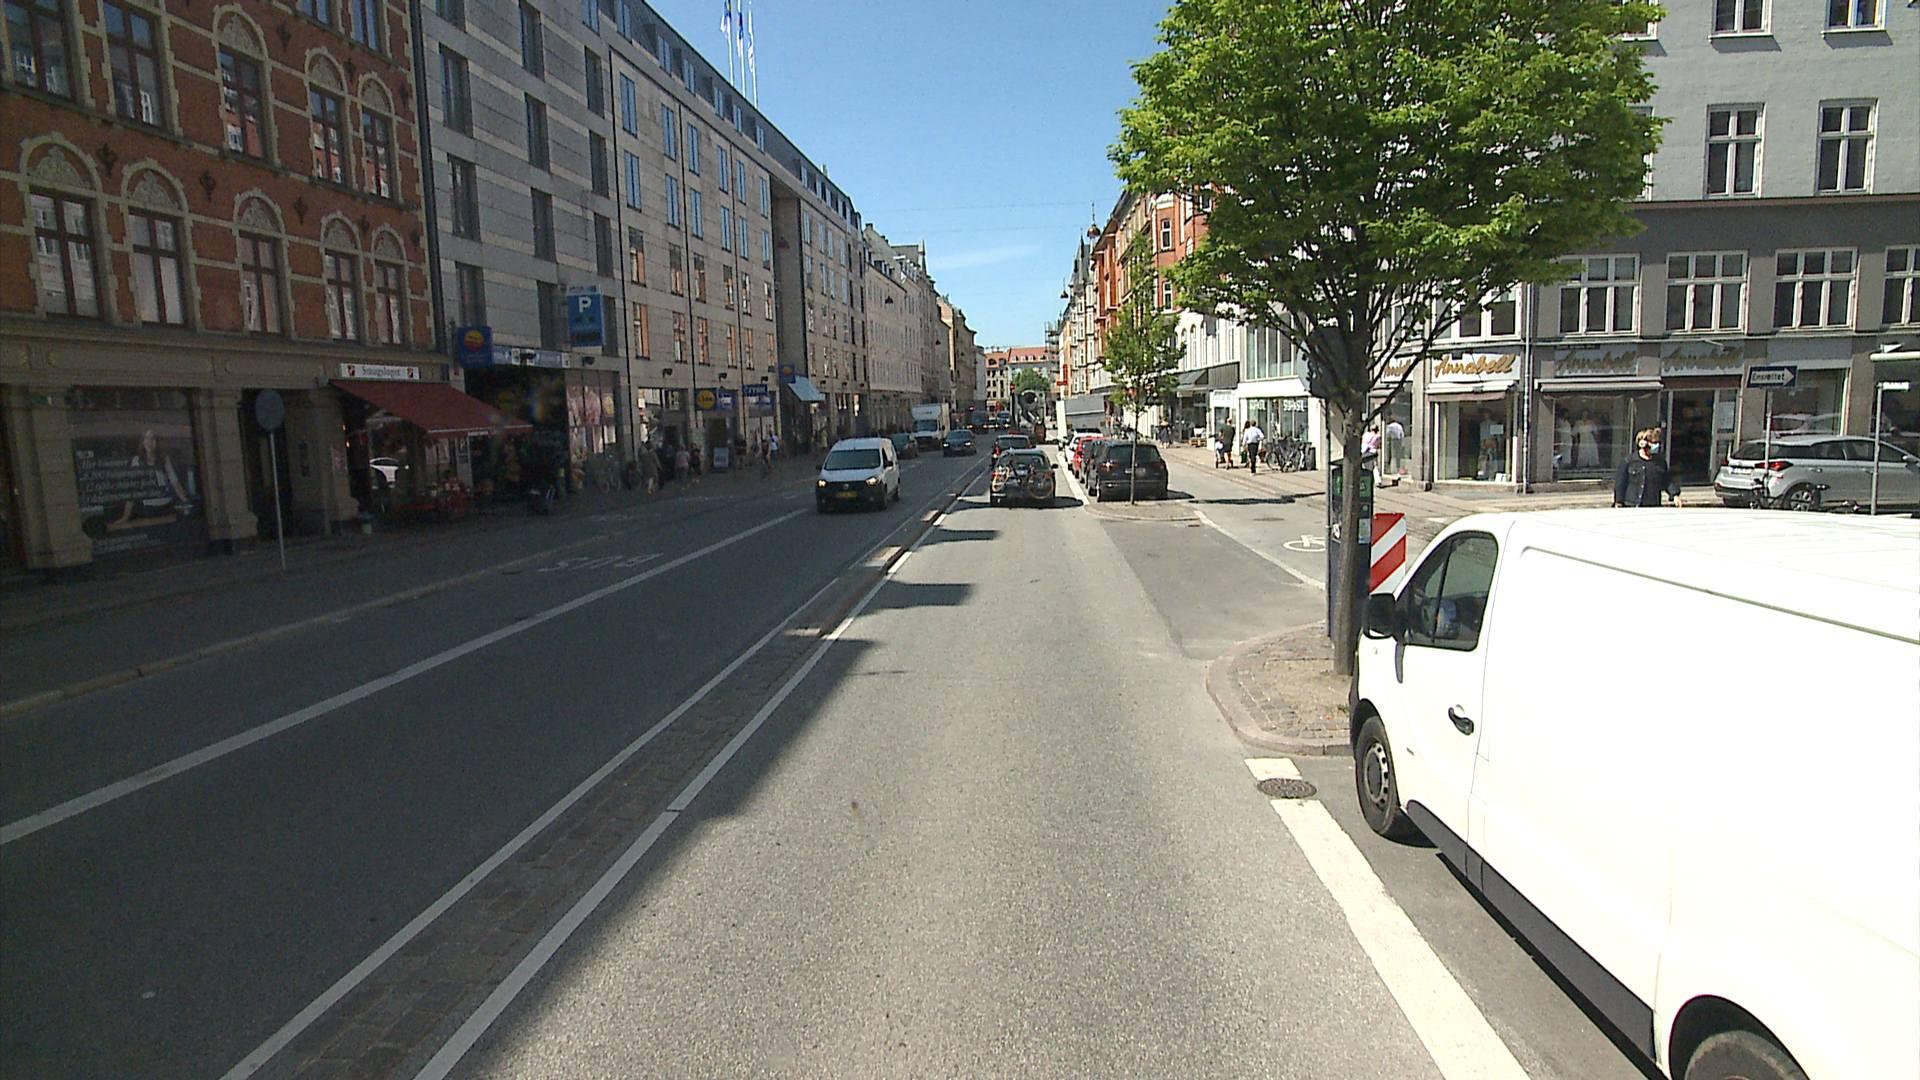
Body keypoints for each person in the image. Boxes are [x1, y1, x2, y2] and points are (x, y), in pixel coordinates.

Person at [1614, 427, 1685, 508]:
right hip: (1632, 506)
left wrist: (1675, 495)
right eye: (1653, 443)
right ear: (1643, 444)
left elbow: (1667, 481)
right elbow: (1620, 484)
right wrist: (1618, 502)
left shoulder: (1660, 462)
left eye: (1657, 443)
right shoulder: (1628, 462)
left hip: (1653, 506)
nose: (1656, 446)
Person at [1384, 417, 1407, 484]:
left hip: (1392, 440)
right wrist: (1402, 442)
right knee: (1398, 456)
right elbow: (1402, 434)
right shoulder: (1399, 426)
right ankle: (1398, 468)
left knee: (1390, 454)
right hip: (1398, 440)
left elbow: (1387, 434)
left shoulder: (1390, 426)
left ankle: (1389, 468)